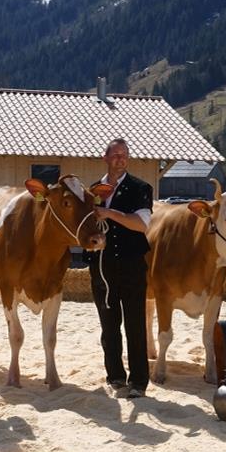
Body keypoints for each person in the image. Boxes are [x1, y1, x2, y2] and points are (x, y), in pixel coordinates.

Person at [87, 138, 154, 398]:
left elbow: (142, 224)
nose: (120, 159)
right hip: (102, 265)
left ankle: (138, 382)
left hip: (131, 265)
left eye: (124, 155)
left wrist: (109, 213)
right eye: (115, 155)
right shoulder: (93, 190)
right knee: (109, 323)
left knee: (135, 323)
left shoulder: (140, 188)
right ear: (105, 158)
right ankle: (115, 376)